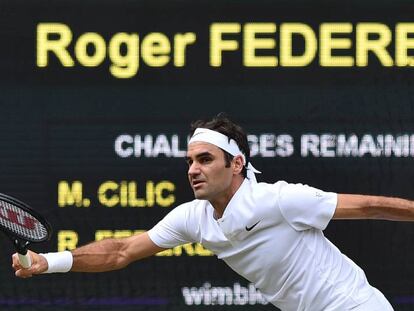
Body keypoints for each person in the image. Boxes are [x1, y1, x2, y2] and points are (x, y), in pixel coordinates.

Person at [12, 114, 413, 310]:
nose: (192, 170)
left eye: (205, 159)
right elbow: (121, 251)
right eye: (189, 161)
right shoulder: (193, 217)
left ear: (236, 164)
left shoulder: (279, 199)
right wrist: (47, 261)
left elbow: (372, 206)